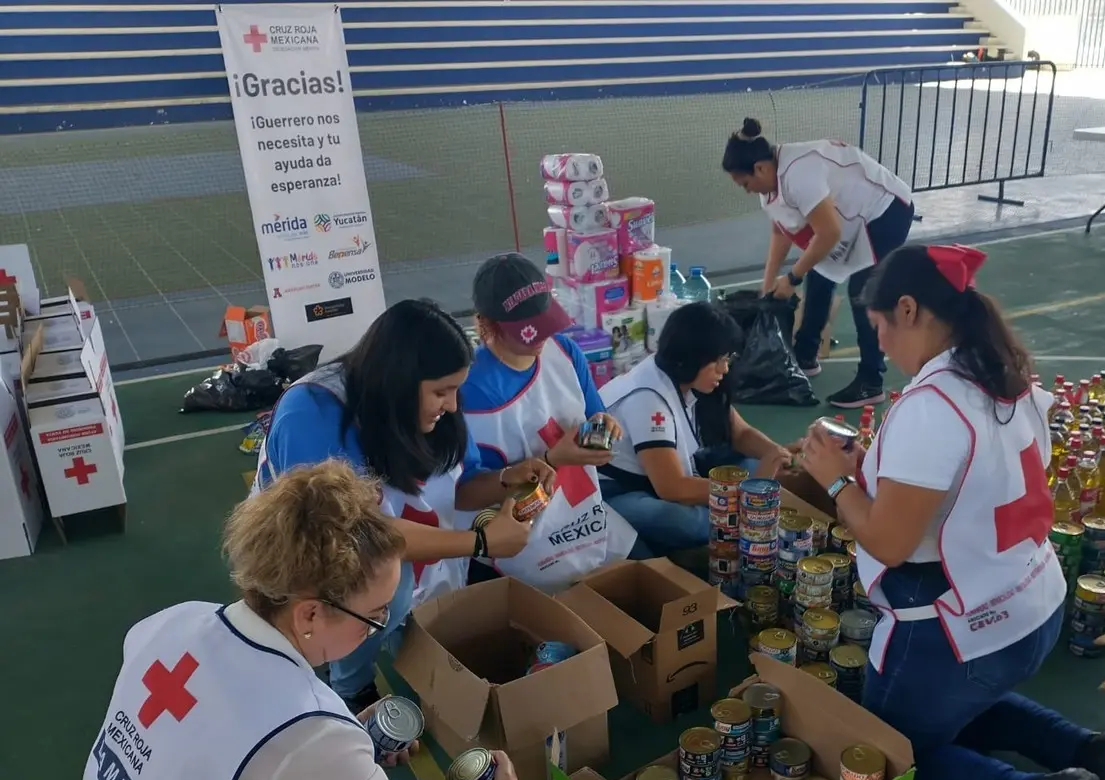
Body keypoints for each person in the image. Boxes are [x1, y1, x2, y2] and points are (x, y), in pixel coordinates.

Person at [0, 460, 524, 780]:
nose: (379, 628)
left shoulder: (171, 624)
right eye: (374, 614)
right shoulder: (308, 731)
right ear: (311, 613)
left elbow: (216, 740)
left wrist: (338, 743)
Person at [798, 244, 1105, 780]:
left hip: (957, 631)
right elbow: (957, 484)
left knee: (891, 758)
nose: (879, 344)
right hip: (1032, 605)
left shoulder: (931, 406)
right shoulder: (1005, 375)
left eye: (878, 328)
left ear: (909, 309)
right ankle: (1097, 750)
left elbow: (891, 541)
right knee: (957, 701)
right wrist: (872, 466)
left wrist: (836, 479)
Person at [251, 298, 554, 713]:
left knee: (404, 599)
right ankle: (349, 686)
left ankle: (381, 634)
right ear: (399, 381)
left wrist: (505, 480)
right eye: (441, 392)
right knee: (390, 586)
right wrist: (481, 542)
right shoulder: (313, 415)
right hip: (303, 549)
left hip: (375, 540)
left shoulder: (419, 407)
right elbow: (359, 534)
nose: (451, 405)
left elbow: (454, 489)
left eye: (456, 390)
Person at [459, 252, 639, 590]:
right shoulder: (466, 389)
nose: (542, 337)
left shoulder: (565, 352)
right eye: (528, 331)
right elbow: (464, 495)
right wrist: (551, 459)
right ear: (486, 324)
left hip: (583, 520)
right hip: (516, 544)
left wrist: (602, 427)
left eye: (545, 322)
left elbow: (594, 416)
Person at [721, 116, 915, 410]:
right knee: (821, 275)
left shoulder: (799, 173)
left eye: (745, 183)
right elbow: (781, 231)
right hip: (850, 217)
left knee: (863, 293)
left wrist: (792, 278)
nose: (746, 190)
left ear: (759, 168)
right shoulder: (771, 184)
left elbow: (830, 232)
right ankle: (805, 356)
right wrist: (768, 285)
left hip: (885, 210)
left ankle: (871, 381)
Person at [598, 301, 793, 554]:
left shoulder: (691, 378)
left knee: (761, 468)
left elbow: (740, 432)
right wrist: (751, 488)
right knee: (682, 521)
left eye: (727, 359)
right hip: (614, 492)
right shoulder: (647, 400)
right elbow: (672, 487)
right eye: (717, 361)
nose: (724, 369)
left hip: (659, 478)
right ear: (691, 356)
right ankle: (734, 526)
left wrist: (778, 454)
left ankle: (732, 515)